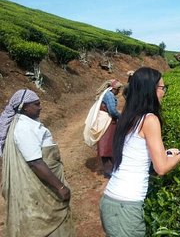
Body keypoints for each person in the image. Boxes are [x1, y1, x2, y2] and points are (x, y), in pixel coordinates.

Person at [99, 67, 180, 236]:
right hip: (126, 207)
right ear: (150, 90)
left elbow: (135, 155)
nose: (164, 92)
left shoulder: (129, 116)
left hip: (109, 201)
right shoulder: (150, 119)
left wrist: (167, 153)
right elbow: (161, 168)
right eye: (162, 88)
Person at [0, 89, 75, 236]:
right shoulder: (23, 128)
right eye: (36, 104)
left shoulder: (28, 123)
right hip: (39, 186)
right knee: (45, 222)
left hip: (45, 182)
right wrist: (60, 187)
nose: (40, 107)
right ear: (25, 107)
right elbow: (35, 162)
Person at [84, 79, 122, 178]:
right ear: (113, 88)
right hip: (107, 123)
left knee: (107, 145)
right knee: (107, 145)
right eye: (118, 89)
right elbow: (112, 111)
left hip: (106, 122)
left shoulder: (107, 94)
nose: (119, 91)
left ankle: (110, 168)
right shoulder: (109, 95)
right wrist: (122, 116)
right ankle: (109, 170)